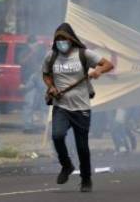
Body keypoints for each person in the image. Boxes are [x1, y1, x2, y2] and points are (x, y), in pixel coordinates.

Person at [42, 22, 114, 193]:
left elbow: (108, 64)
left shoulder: (84, 54)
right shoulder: (51, 56)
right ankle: (66, 165)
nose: (61, 43)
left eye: (64, 39)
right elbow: (45, 74)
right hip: (61, 106)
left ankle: (86, 179)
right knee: (57, 136)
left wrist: (98, 71)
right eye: (58, 40)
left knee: (82, 146)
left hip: (81, 108)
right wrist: (51, 87)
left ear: (71, 39)